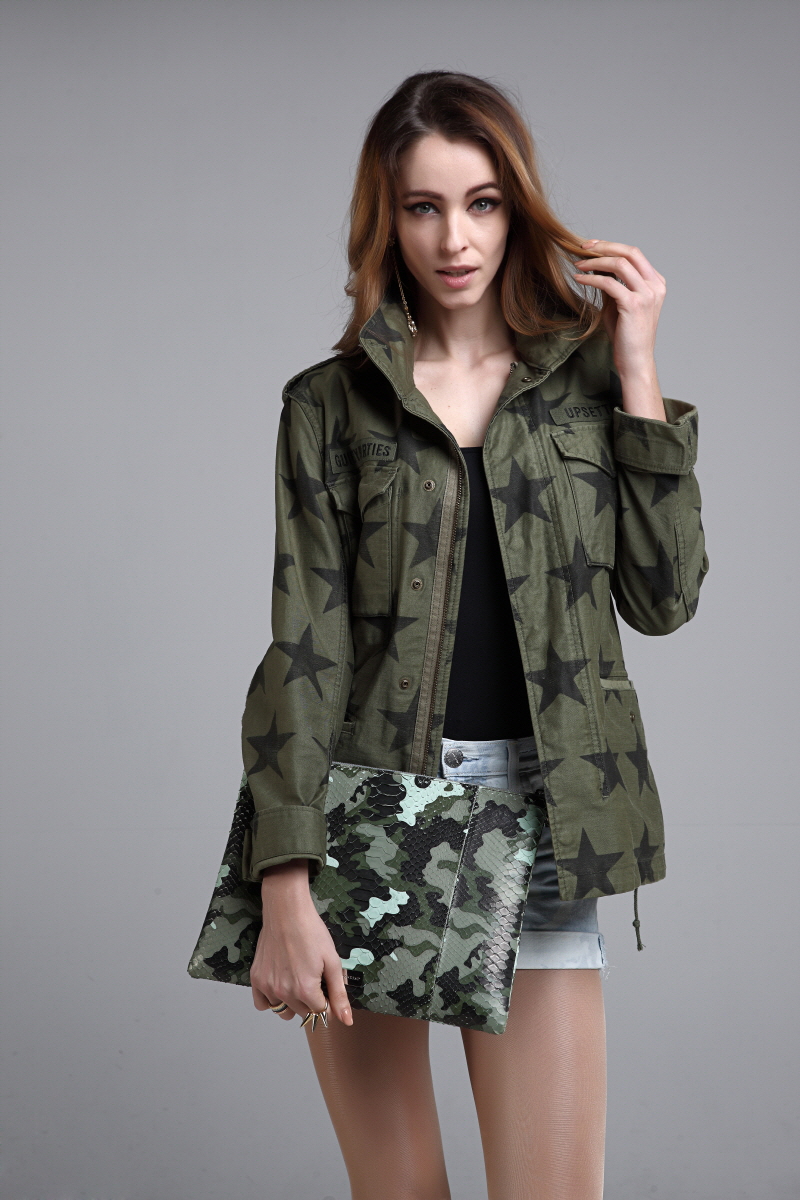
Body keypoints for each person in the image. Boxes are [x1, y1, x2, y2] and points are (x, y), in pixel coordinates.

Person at [242, 71, 707, 1200]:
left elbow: (663, 596)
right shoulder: (328, 406)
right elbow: (303, 648)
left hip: (545, 818)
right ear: (387, 220)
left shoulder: (591, 385)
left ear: (517, 209)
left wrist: (637, 367)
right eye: (424, 207)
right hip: (365, 817)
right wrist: (285, 886)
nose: (455, 238)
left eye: (483, 203)